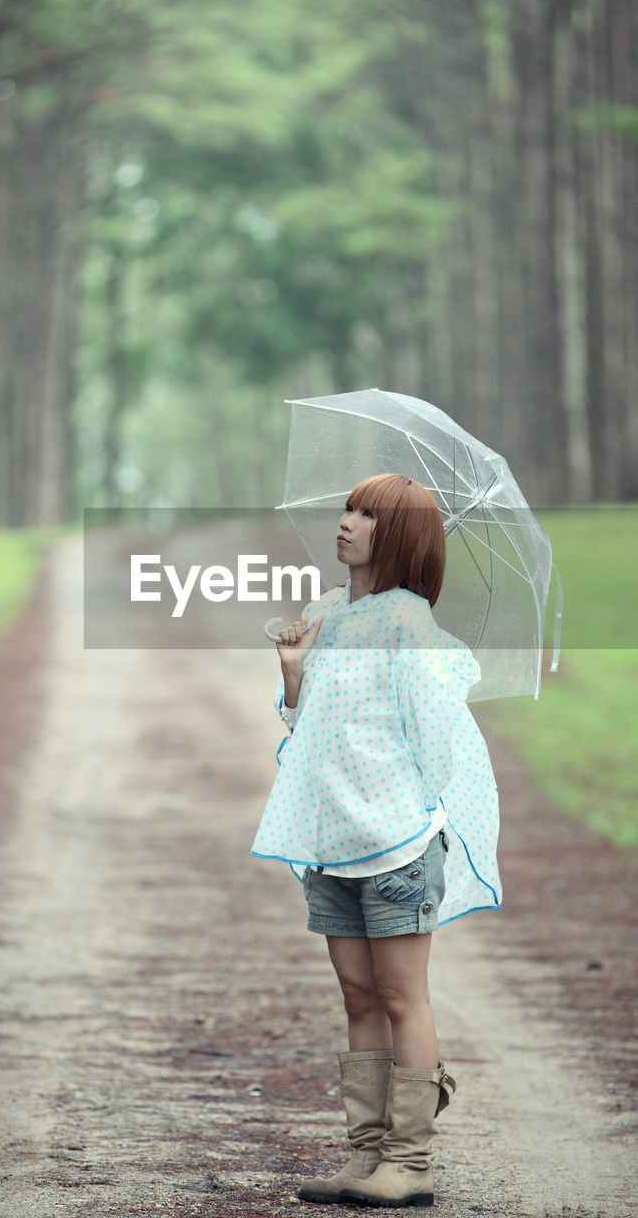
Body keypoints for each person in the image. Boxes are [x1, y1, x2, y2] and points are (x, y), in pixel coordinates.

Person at [251, 473, 501, 1208]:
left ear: (396, 537)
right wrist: (293, 677)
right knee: (358, 996)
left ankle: (410, 1163)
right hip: (331, 846)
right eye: (347, 509)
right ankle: (366, 1158)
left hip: (393, 845)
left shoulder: (406, 624)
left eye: (365, 515)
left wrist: (401, 808)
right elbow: (308, 729)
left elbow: (437, 742)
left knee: (399, 996)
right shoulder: (326, 612)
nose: (346, 523)